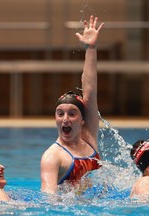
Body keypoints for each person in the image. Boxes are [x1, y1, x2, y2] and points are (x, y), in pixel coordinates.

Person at [40, 15, 104, 194]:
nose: (65, 119)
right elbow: (48, 196)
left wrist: (90, 48)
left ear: (83, 119)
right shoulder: (53, 156)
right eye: (60, 113)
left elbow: (90, 91)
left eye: (72, 113)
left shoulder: (88, 137)